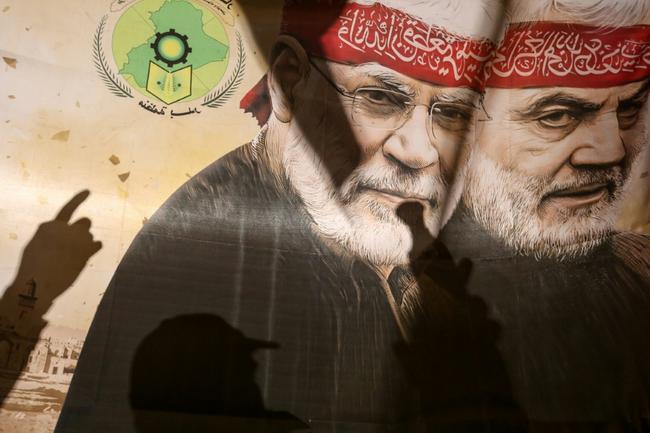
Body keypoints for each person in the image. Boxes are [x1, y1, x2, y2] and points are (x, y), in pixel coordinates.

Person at [56, 1, 504, 432]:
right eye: (380, 97)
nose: (420, 151)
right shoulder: (204, 251)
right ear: (289, 84)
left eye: (452, 114)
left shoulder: (383, 248)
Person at [438, 0, 650, 430]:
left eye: (629, 109)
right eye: (557, 115)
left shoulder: (640, 272)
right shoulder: (376, 301)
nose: (612, 151)